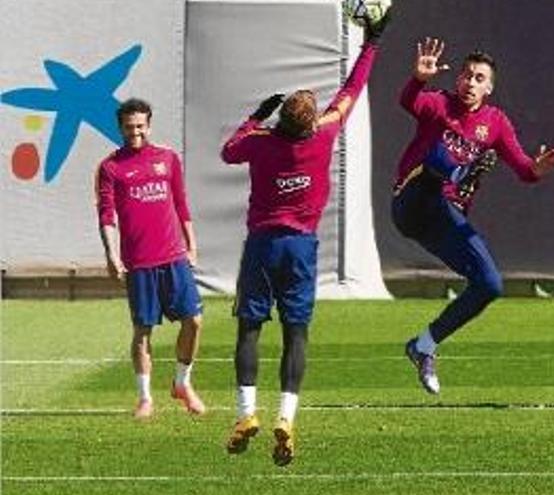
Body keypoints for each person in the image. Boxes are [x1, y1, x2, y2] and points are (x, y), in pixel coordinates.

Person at [219, 13, 389, 466]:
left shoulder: (261, 141)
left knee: (249, 329)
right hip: (301, 248)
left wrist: (257, 116)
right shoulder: (325, 134)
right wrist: (371, 42)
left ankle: (245, 414)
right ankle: (286, 418)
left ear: (282, 119)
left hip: (261, 246)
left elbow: (227, 151)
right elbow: (351, 93)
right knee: (297, 334)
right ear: (311, 123)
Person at [394, 37, 554, 395]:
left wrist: (538, 167)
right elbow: (409, 101)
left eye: (479, 78)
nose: (470, 82)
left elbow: (524, 170)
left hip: (443, 217)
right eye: (466, 75)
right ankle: (458, 174)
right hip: (411, 201)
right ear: (457, 79)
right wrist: (418, 79)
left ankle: (423, 345)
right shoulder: (440, 104)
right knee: (440, 158)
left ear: (489, 87)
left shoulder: (495, 123)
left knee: (490, 284)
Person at [96, 98, 205, 419]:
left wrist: (192, 245)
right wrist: (112, 255)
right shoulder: (110, 167)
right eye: (129, 127)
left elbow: (182, 204)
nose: (135, 132)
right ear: (120, 128)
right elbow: (106, 215)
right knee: (143, 330)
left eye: (140, 126)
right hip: (139, 263)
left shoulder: (168, 159)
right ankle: (145, 398)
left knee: (195, 321)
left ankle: (182, 384)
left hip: (174, 257)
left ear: (149, 125)